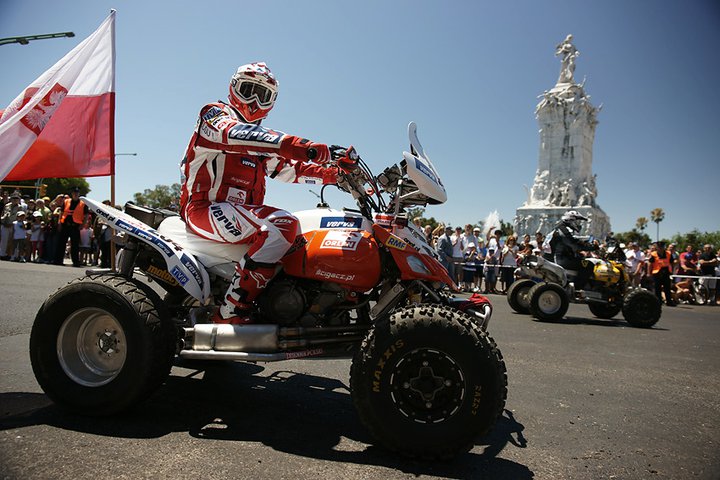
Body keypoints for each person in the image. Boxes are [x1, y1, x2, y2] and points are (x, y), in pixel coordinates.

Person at [179, 62, 356, 325]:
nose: (253, 100)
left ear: (271, 102)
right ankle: (231, 311)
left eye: (263, 95)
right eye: (247, 89)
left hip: (238, 216)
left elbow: (290, 170)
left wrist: (335, 174)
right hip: (204, 209)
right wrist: (302, 146)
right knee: (282, 224)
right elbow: (233, 134)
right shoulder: (214, 116)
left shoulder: (259, 143)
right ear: (233, 88)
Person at [547, 210, 596, 290]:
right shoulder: (563, 230)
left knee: (582, 260)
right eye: (577, 221)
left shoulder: (561, 228)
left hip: (561, 257)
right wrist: (592, 247)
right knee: (589, 265)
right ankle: (578, 289)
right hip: (562, 259)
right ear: (571, 220)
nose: (579, 224)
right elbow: (574, 244)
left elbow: (572, 243)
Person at [55, 187, 88, 267]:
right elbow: (61, 212)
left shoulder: (83, 203)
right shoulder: (66, 201)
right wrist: (59, 222)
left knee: (75, 245)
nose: (75, 194)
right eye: (74, 193)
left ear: (79, 194)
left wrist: (83, 225)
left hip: (75, 227)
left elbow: (86, 215)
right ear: (72, 194)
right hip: (65, 225)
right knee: (61, 244)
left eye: (77, 193)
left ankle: (76, 262)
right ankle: (58, 261)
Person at [647, 241, 675, 306]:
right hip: (657, 273)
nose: (660, 248)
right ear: (657, 247)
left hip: (666, 272)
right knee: (657, 288)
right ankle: (658, 301)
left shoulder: (668, 253)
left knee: (667, 288)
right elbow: (650, 264)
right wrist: (648, 273)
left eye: (662, 247)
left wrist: (672, 271)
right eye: (659, 247)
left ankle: (669, 301)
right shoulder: (653, 254)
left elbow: (672, 262)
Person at [1, 192, 22, 260]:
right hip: (5, 224)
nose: (15, 200)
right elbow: (3, 214)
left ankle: (13, 255)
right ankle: (2, 254)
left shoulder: (20, 207)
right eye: (13, 198)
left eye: (16, 198)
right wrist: (3, 222)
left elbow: (21, 217)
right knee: (4, 240)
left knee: (13, 241)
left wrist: (13, 224)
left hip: (14, 226)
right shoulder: (7, 205)